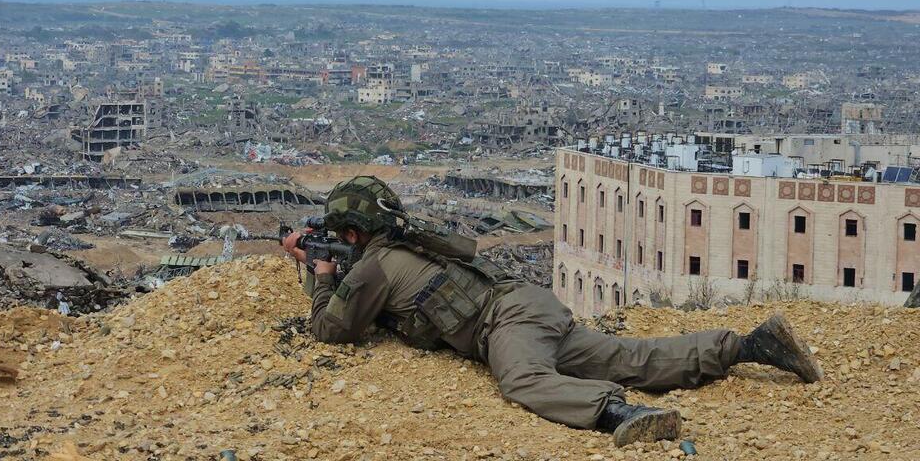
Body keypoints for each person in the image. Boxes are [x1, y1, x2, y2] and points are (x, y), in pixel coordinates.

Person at [282, 176, 823, 446]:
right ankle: (748, 345)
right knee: (628, 355)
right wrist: (324, 265)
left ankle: (619, 414)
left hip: (505, 323)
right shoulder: (406, 249)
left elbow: (333, 329)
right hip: (530, 304)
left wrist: (319, 272)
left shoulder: (374, 267)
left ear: (353, 234)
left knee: (522, 380)